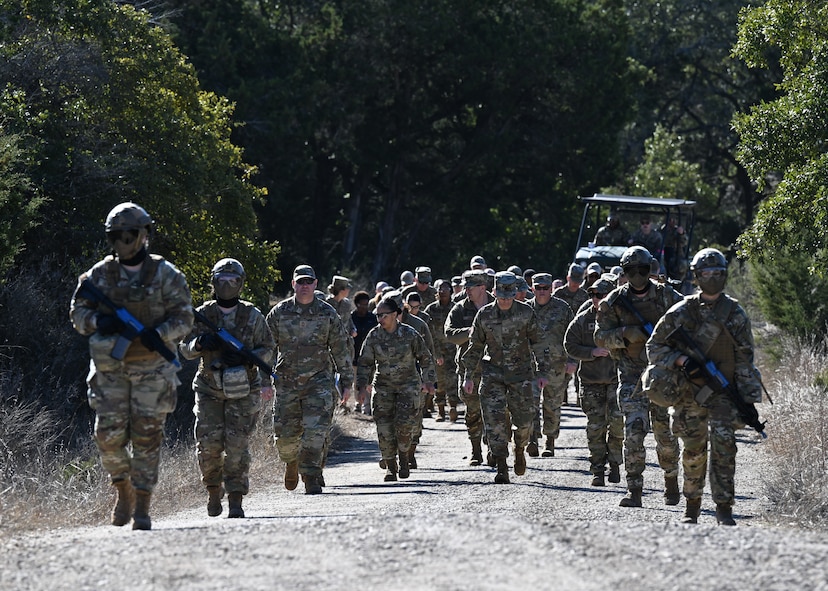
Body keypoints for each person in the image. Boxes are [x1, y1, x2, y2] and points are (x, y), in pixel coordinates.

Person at [70, 202, 193, 530]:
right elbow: (77, 314)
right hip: (111, 371)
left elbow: (185, 318)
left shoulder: (166, 274)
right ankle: (122, 488)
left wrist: (160, 333)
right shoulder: (99, 275)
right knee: (107, 437)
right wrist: (99, 320)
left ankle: (142, 503)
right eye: (116, 235)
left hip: (152, 371)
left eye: (130, 233)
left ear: (145, 234)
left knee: (147, 439)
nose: (124, 240)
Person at [645, 248, 763, 525]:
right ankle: (692, 505)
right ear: (697, 277)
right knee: (694, 450)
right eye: (706, 273)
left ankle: (723, 507)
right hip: (689, 392)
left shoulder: (735, 313)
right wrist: (680, 359)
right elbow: (654, 347)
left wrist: (746, 399)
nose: (712, 278)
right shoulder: (682, 311)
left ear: (724, 276)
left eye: (717, 273)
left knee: (725, 448)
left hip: (724, 393)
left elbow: (746, 357)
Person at [180, 258, 274, 519]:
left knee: (236, 446)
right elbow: (184, 349)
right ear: (214, 282)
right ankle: (213, 490)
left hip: (243, 389)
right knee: (208, 445)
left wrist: (246, 357)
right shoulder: (203, 314)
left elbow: (267, 349)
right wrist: (200, 343)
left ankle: (235, 498)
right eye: (222, 280)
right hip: (209, 387)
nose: (227, 285)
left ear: (241, 283)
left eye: (233, 280)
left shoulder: (252, 316)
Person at [594, 246, 683, 508]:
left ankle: (671, 481)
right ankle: (634, 489)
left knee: (664, 434)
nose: (637, 276)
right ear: (624, 272)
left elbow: (688, 320)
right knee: (633, 431)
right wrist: (624, 334)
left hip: (663, 375)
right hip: (632, 377)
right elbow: (599, 337)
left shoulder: (666, 295)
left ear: (650, 269)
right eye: (631, 271)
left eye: (642, 270)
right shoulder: (613, 301)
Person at [265, 265, 353, 495]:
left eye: (308, 282)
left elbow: (340, 348)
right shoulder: (278, 313)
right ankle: (291, 462)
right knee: (285, 438)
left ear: (315, 284)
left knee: (316, 432)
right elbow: (265, 349)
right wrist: (262, 380)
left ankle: (311, 475)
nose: (304, 286)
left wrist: (346, 381)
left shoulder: (327, 313)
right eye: (300, 282)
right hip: (287, 382)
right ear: (293, 284)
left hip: (319, 381)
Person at [462, 272, 549, 484]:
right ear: (494, 292)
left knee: (524, 421)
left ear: (516, 294)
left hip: (521, 375)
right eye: (501, 296)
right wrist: (468, 376)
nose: (505, 300)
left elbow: (538, 343)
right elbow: (474, 348)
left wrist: (542, 372)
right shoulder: (484, 315)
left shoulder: (526, 313)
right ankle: (501, 465)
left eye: (509, 296)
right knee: (493, 421)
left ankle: (520, 448)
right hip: (492, 375)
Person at [357, 297, 436, 482]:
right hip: (383, 387)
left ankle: (404, 458)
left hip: (408, 386)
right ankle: (391, 467)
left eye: (384, 315)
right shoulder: (374, 336)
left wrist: (428, 381)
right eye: (377, 316)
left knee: (404, 426)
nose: (380, 319)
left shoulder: (409, 334)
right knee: (384, 429)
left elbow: (425, 357)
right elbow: (365, 363)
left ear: (395, 315)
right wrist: (361, 387)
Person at [564, 275, 623, 487]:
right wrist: (592, 352)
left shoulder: (621, 317)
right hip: (591, 382)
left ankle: (615, 464)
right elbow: (569, 345)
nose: (596, 298)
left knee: (617, 425)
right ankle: (598, 469)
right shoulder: (583, 319)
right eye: (593, 294)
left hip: (617, 381)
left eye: (601, 295)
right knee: (595, 428)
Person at [445, 269, 495, 466]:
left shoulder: (498, 305)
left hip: (495, 369)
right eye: (465, 286)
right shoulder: (459, 309)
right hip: (469, 371)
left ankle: (494, 449)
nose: (466, 290)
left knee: (495, 412)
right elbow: (449, 334)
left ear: (482, 287)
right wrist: (470, 332)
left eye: (470, 287)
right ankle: (476, 451)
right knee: (473, 412)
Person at [528, 272, 574, 458]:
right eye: (538, 288)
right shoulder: (525, 310)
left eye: (545, 288)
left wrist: (573, 360)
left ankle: (550, 441)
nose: (541, 292)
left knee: (552, 405)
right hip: (531, 365)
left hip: (556, 365)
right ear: (532, 288)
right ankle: (532, 439)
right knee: (530, 403)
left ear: (551, 289)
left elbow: (572, 336)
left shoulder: (563, 309)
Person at [424, 279, 459, 422]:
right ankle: (440, 411)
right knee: (439, 381)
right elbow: (424, 328)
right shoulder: (431, 309)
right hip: (436, 350)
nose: (442, 291)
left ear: (451, 291)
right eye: (440, 288)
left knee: (453, 379)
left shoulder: (457, 308)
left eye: (445, 288)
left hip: (453, 349)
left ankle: (453, 407)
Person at [325, 275, 357, 411]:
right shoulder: (326, 304)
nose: (349, 291)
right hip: (328, 347)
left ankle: (343, 403)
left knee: (346, 374)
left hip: (345, 345)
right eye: (347, 288)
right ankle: (333, 404)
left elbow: (348, 320)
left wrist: (353, 328)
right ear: (341, 289)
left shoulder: (346, 304)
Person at [351, 290, 378, 414]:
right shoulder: (351, 318)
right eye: (361, 304)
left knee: (369, 380)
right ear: (356, 304)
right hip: (355, 354)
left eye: (366, 304)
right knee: (357, 380)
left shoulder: (372, 318)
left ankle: (367, 406)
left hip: (370, 355)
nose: (364, 307)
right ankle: (358, 402)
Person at [661, 217, 689, 281]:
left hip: (676, 254)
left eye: (673, 220)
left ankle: (679, 282)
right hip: (663, 253)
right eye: (669, 220)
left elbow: (685, 242)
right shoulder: (662, 231)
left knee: (681, 265)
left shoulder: (678, 231)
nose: (671, 222)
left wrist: (681, 234)